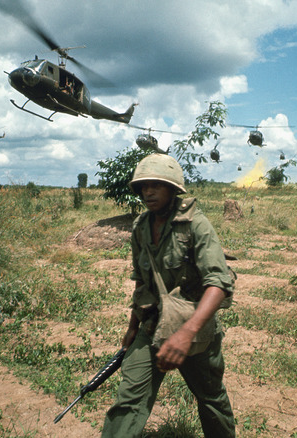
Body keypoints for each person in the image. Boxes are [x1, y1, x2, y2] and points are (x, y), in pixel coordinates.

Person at [102, 154, 236, 437]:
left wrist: (186, 334)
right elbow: (142, 281)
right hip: (151, 324)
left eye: (156, 185)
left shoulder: (195, 225)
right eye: (143, 187)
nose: (148, 192)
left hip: (194, 327)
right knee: (128, 400)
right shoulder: (140, 227)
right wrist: (132, 326)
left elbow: (219, 283)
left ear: (173, 188)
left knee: (211, 400)